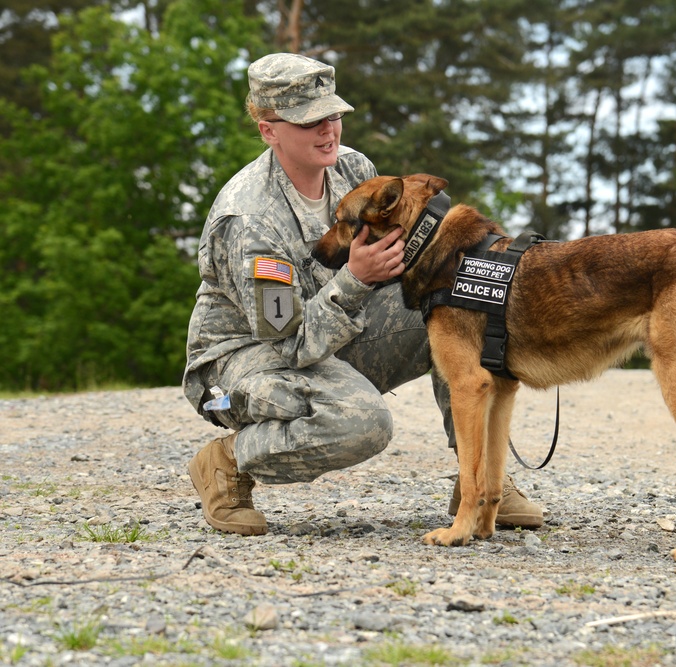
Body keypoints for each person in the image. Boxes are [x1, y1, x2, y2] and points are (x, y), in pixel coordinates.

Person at [181, 53, 543, 536]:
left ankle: (475, 480)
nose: (328, 130)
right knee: (361, 422)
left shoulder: (352, 168)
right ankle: (227, 463)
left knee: (459, 304)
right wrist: (354, 279)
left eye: (333, 114)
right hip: (248, 357)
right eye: (309, 120)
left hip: (333, 327)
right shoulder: (247, 219)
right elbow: (286, 342)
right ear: (269, 130)